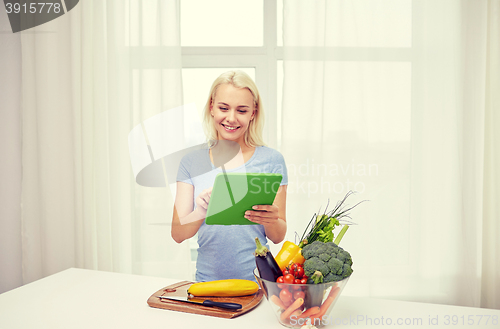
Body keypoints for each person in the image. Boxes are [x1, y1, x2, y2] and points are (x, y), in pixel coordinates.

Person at [171, 70, 288, 282]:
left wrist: (270, 219)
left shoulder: (272, 160)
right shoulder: (191, 162)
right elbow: (178, 234)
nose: (231, 118)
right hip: (206, 285)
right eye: (223, 108)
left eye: (242, 110)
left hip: (259, 285)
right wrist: (202, 210)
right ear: (211, 108)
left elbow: (278, 235)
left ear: (253, 112)